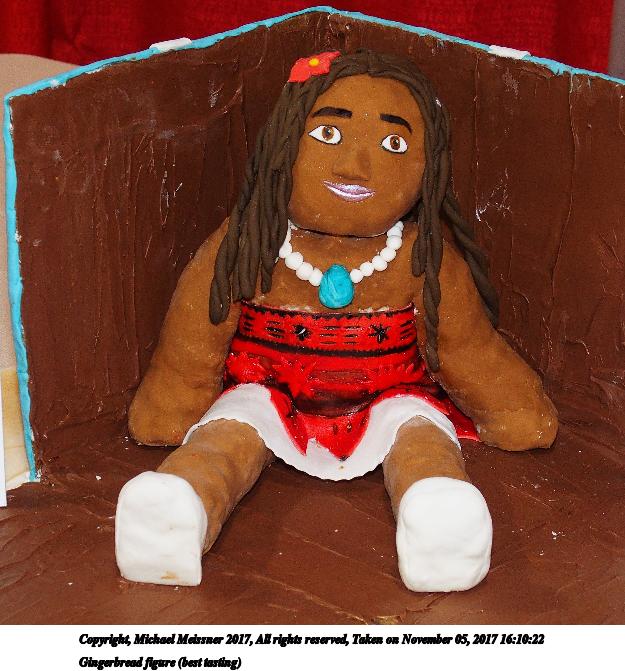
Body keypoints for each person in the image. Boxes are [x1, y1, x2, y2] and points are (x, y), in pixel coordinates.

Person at [116, 49, 557, 591]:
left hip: (391, 396)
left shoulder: (421, 258)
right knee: (227, 437)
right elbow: (195, 335)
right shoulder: (251, 241)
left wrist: (513, 409)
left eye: (394, 145)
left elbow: (465, 346)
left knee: (421, 440)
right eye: (328, 135)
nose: (355, 167)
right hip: (269, 392)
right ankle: (178, 510)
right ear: (283, 146)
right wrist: (172, 403)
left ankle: (439, 516)